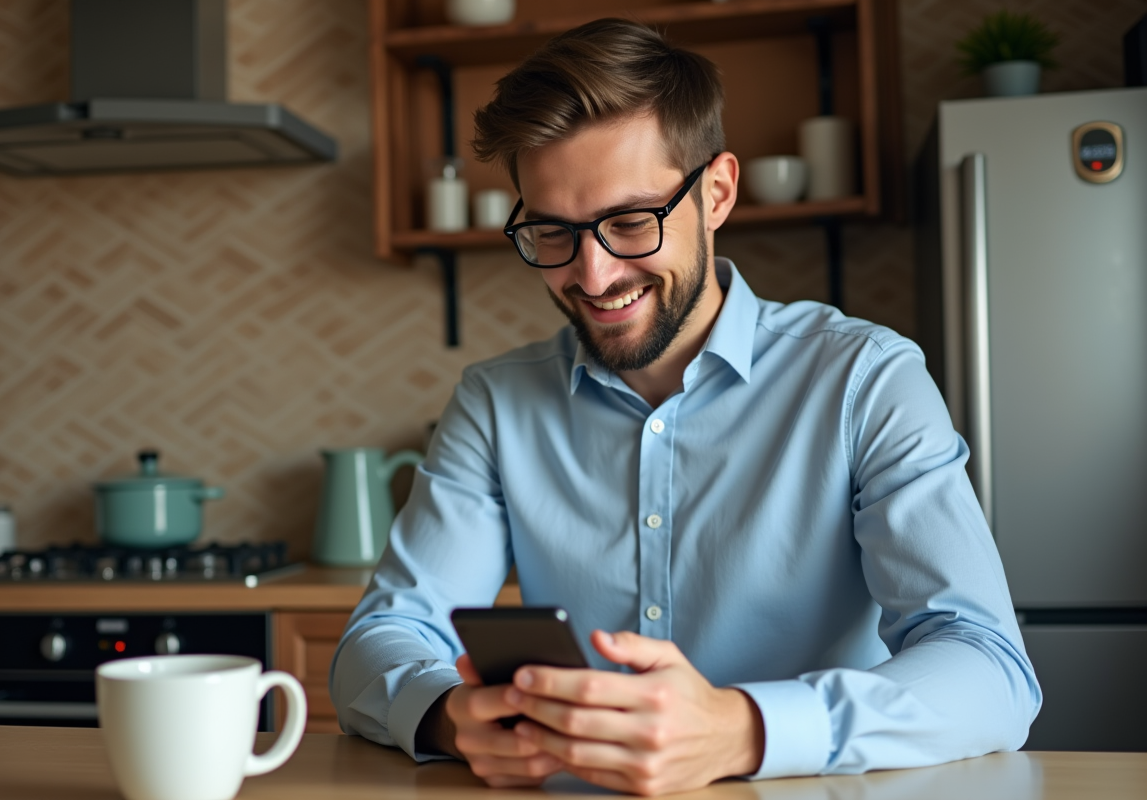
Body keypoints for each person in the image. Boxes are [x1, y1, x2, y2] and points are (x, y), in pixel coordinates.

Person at [330, 18, 1040, 796]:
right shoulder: (495, 403)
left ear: (717, 193)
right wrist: (447, 716)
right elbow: (383, 637)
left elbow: (989, 668)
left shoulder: (865, 379)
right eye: (553, 232)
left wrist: (744, 729)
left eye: (631, 221)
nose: (593, 275)